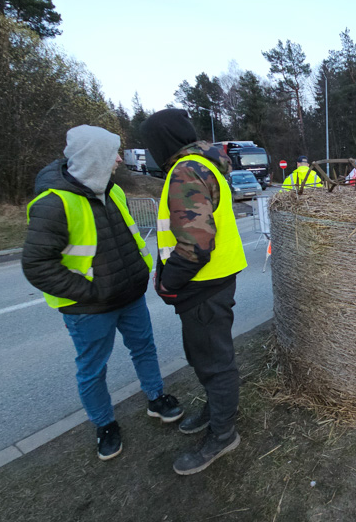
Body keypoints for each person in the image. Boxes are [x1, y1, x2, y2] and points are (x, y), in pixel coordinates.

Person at [22, 125, 183, 462]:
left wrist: (141, 270)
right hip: (88, 309)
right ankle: (104, 424)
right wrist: (90, 292)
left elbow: (131, 236)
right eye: (113, 153)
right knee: (93, 369)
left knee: (144, 347)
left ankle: (156, 398)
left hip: (130, 296)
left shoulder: (114, 191)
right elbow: (37, 266)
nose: (120, 160)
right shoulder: (52, 204)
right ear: (94, 157)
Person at [141, 109, 248, 475]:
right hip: (214, 279)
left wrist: (169, 283)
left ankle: (223, 434)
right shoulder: (206, 164)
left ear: (163, 142)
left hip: (203, 285)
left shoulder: (186, 171)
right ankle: (218, 411)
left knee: (214, 363)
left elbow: (196, 243)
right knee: (205, 355)